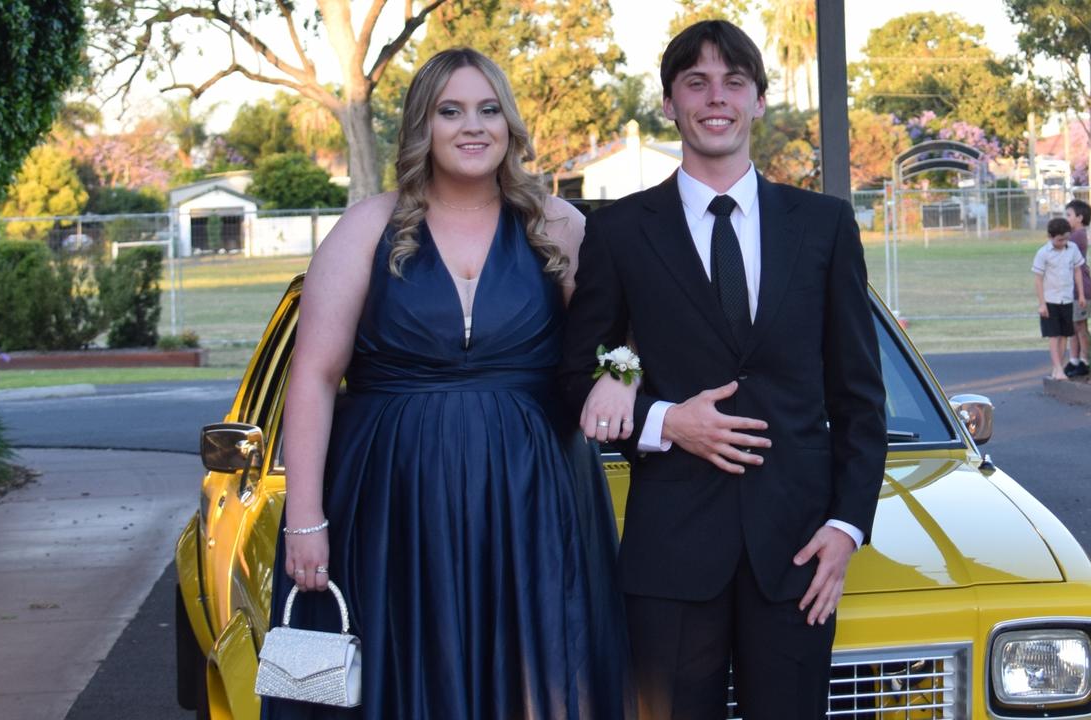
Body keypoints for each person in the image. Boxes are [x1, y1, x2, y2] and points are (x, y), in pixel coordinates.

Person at [266, 47, 633, 719]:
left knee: (537, 681)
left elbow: (627, 334)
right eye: (451, 111)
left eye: (488, 109)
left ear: (510, 124)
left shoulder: (559, 226)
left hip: (534, 506)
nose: (473, 127)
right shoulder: (366, 229)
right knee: (404, 679)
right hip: (389, 508)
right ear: (421, 127)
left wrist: (621, 377)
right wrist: (305, 522)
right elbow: (314, 378)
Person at [560, 20, 887, 720]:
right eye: (696, 83)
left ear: (759, 100)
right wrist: (663, 421)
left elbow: (858, 396)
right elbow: (574, 371)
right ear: (670, 103)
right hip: (670, 553)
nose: (716, 98)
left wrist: (846, 527)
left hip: (798, 552)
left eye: (733, 82)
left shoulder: (823, 226)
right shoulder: (619, 231)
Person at [1032, 216, 1087, 381]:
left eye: (1066, 239)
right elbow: (1038, 279)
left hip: (1067, 298)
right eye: (1059, 240)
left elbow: (1077, 271)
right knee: (1053, 335)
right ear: (1050, 237)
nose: (1063, 242)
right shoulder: (1043, 253)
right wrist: (1042, 303)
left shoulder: (1073, 249)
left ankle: (1059, 367)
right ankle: (1056, 366)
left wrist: (1081, 294)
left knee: (1065, 334)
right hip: (1050, 299)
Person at [1064, 199, 1091, 376]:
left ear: (1080, 218)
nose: (1066, 218)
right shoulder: (1074, 235)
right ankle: (1074, 359)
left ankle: (1086, 360)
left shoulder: (1077, 236)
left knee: (1080, 326)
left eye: (1069, 215)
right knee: (1073, 326)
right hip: (1071, 288)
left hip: (1081, 288)